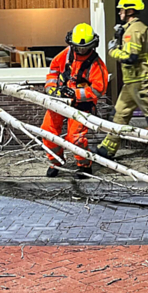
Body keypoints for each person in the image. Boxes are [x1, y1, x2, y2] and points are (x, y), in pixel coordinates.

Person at [96, 0, 148, 160]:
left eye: (122, 9)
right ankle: (108, 147)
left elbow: (131, 57)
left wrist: (113, 50)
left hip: (140, 80)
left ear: (130, 10)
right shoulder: (131, 28)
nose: (119, 12)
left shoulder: (134, 30)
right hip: (131, 81)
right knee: (119, 114)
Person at [41, 23, 109, 179]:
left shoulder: (96, 64)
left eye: (85, 48)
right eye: (77, 47)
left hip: (81, 105)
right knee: (47, 131)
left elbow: (99, 89)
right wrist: (51, 88)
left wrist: (76, 94)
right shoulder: (65, 55)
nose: (81, 50)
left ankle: (83, 165)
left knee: (75, 138)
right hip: (60, 100)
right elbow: (53, 71)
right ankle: (56, 162)